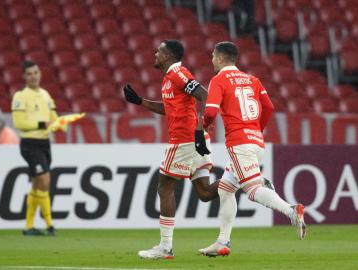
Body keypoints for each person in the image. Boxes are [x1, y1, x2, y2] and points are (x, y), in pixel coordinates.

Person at [198, 41, 306, 257]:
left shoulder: (219, 80)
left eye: (212, 56)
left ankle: (291, 211)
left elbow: (210, 110)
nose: (211, 60)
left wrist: (205, 125)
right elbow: (269, 107)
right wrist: (256, 129)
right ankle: (222, 242)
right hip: (256, 140)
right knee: (225, 189)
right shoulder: (252, 80)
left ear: (220, 58)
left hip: (239, 143)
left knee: (252, 191)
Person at [123, 40, 219, 259]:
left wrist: (198, 129)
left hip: (185, 140)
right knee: (204, 193)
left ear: (168, 56)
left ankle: (165, 247)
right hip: (193, 139)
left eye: (159, 51)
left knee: (165, 187)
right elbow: (168, 109)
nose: (155, 53)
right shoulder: (169, 79)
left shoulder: (178, 73)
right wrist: (139, 101)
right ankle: (240, 181)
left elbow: (204, 96)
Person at [11, 60, 57, 236]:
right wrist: (42, 124)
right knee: (45, 180)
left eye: (36, 72)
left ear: (40, 73)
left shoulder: (45, 95)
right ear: (24, 76)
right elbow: (19, 122)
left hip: (44, 143)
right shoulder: (20, 96)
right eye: (29, 73)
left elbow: (53, 117)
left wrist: (60, 123)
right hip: (30, 143)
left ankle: (29, 226)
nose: (33, 76)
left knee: (38, 183)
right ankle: (50, 224)